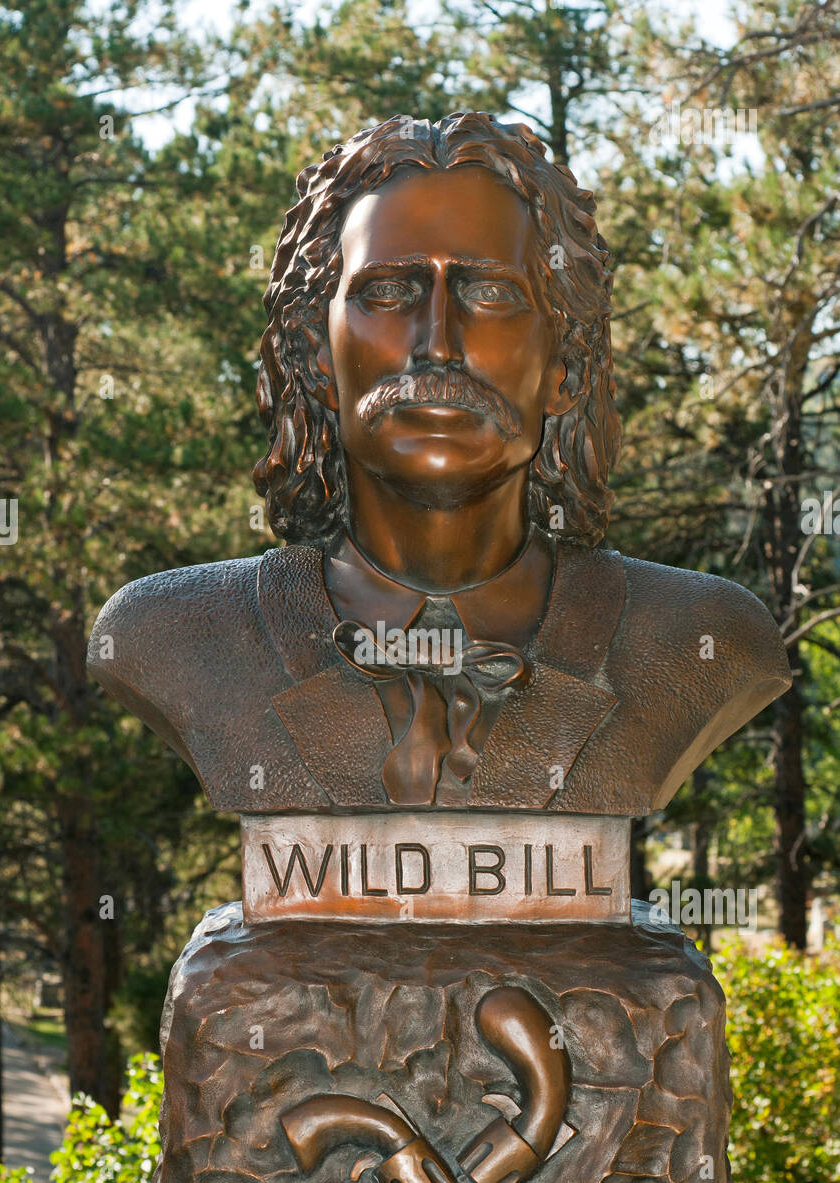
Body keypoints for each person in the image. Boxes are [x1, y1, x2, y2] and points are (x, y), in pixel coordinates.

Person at [88, 112, 790, 815]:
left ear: (565, 367)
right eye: (388, 292)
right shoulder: (170, 633)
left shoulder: (704, 637)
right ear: (314, 357)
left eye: (489, 293)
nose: (439, 343)